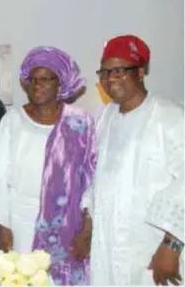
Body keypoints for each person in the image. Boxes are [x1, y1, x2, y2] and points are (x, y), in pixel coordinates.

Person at [85, 34, 184, 285]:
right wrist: (88, 226)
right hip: (108, 245)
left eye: (119, 71)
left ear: (141, 71)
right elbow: (94, 177)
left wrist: (172, 245)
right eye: (104, 72)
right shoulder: (105, 118)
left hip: (153, 247)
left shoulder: (170, 117)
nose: (109, 80)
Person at [0, 46, 97, 285]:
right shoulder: (12, 121)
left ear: (60, 84)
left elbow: (91, 181)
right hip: (22, 223)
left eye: (45, 79)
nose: (37, 85)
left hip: (69, 225)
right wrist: (2, 225)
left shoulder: (80, 123)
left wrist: (86, 230)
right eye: (32, 79)